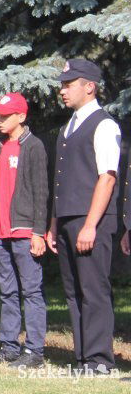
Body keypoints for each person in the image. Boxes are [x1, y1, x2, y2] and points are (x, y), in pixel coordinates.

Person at [47, 58, 120, 376]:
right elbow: (61, 179)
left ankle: (100, 360)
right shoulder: (68, 127)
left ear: (89, 87)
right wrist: (53, 224)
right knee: (74, 291)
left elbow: (107, 177)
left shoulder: (104, 125)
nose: (63, 90)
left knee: (93, 290)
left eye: (69, 84)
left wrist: (90, 225)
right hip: (66, 219)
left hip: (91, 220)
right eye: (62, 84)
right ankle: (82, 358)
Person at [0, 92, 48, 370]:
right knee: (7, 292)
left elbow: (41, 191)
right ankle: (9, 346)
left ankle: (34, 350)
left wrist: (39, 232)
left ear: (21, 116)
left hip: (24, 232)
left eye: (5, 115)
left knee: (31, 292)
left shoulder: (33, 146)